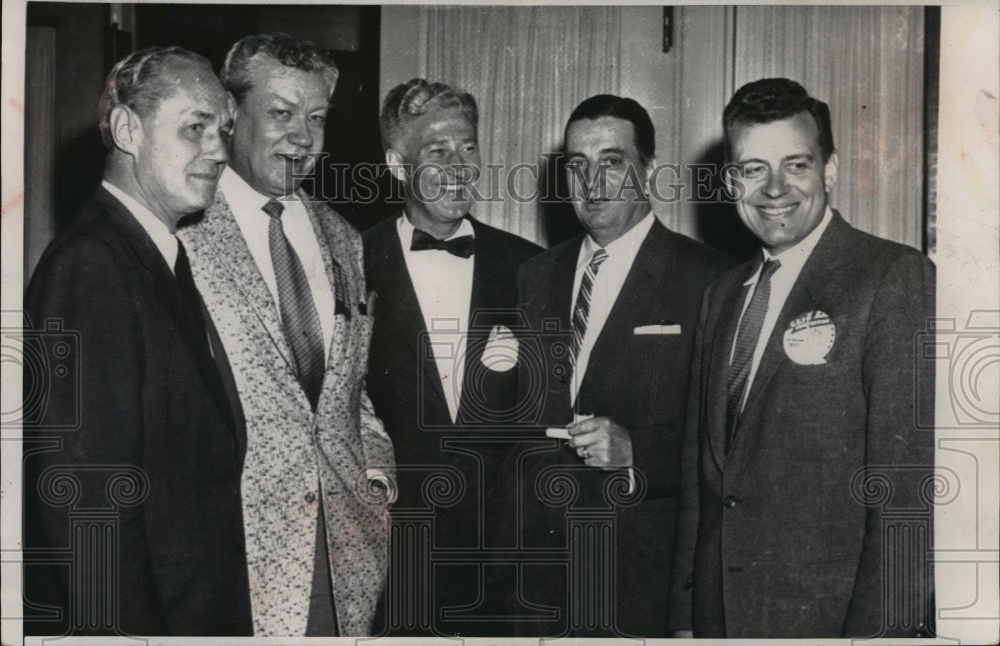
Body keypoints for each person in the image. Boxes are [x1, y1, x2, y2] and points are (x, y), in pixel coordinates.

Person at [668, 78, 935, 638]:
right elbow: (703, 483)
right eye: (752, 168)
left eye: (795, 165)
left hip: (825, 622)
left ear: (829, 171)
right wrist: (686, 618)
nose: (773, 189)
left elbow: (905, 499)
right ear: (730, 180)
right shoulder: (722, 293)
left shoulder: (890, 278)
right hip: (720, 619)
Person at [23, 47, 251, 635]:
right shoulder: (92, 267)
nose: (221, 151)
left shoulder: (149, 254)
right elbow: (88, 512)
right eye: (195, 127)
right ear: (128, 129)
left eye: (223, 131)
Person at [178, 33, 394, 637]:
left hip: (345, 551)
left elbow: (352, 384)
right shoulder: (183, 233)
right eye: (281, 113)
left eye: (317, 117)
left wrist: (376, 471)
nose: (304, 138)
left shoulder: (344, 237)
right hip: (228, 549)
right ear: (230, 113)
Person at [502, 94, 735, 638]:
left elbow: (732, 447)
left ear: (648, 170)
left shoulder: (708, 279)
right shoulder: (535, 276)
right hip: (537, 583)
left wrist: (638, 452)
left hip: (641, 583)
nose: (592, 181)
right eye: (577, 165)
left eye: (612, 161)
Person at [363, 78, 541, 636]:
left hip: (503, 577)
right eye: (436, 152)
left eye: (468, 148)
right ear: (397, 164)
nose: (458, 166)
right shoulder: (348, 261)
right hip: (389, 570)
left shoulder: (530, 269)